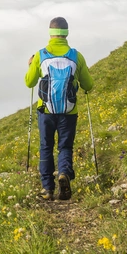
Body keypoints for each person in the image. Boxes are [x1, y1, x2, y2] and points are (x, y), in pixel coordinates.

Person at [25, 17, 94, 201]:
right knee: (65, 146)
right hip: (69, 111)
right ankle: (64, 173)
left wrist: (32, 65)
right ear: (67, 33)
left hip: (45, 111)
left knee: (46, 147)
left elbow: (29, 82)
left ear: (50, 33)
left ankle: (47, 188)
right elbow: (88, 84)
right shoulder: (76, 56)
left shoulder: (40, 55)